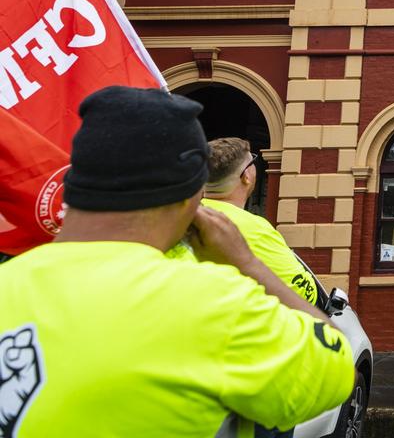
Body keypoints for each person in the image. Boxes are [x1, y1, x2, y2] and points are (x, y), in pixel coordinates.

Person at [0, 86, 353, 437]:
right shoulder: (213, 303)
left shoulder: (8, 283)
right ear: (193, 199)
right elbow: (334, 362)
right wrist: (248, 265)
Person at [204, 137, 320, 306]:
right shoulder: (254, 229)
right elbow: (302, 291)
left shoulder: (180, 216)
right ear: (246, 176)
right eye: (253, 161)